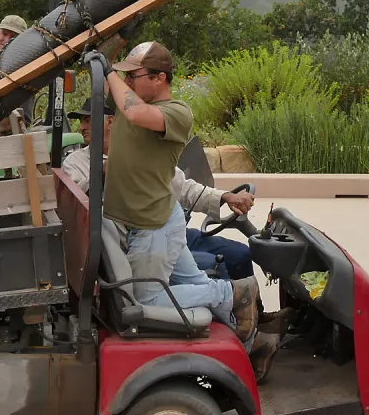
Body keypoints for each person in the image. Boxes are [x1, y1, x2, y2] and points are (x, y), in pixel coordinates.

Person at [88, 41, 258, 343]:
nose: (127, 81)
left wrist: (110, 70)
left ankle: (233, 291)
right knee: (194, 286)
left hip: (152, 228)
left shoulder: (176, 112)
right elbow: (106, 85)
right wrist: (107, 48)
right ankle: (250, 343)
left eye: (134, 75)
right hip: (161, 223)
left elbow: (137, 114)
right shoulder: (131, 98)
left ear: (159, 78)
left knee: (146, 303)